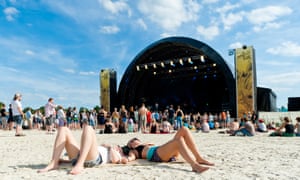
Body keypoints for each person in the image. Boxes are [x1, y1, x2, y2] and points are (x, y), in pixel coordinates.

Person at [37, 122, 127, 175]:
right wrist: (65, 161)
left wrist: (110, 147)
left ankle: (79, 164)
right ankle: (54, 162)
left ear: (120, 149)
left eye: (118, 147)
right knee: (63, 129)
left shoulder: (118, 153)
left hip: (92, 160)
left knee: (88, 128)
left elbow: (118, 160)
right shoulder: (108, 148)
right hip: (81, 156)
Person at [124, 126, 214, 173]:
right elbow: (131, 157)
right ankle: (194, 165)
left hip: (162, 151)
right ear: (131, 145)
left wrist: (144, 143)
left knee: (184, 129)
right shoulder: (134, 150)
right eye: (133, 140)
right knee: (178, 140)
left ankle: (198, 157)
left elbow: (151, 143)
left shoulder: (144, 144)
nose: (136, 140)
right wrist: (127, 159)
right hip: (157, 155)